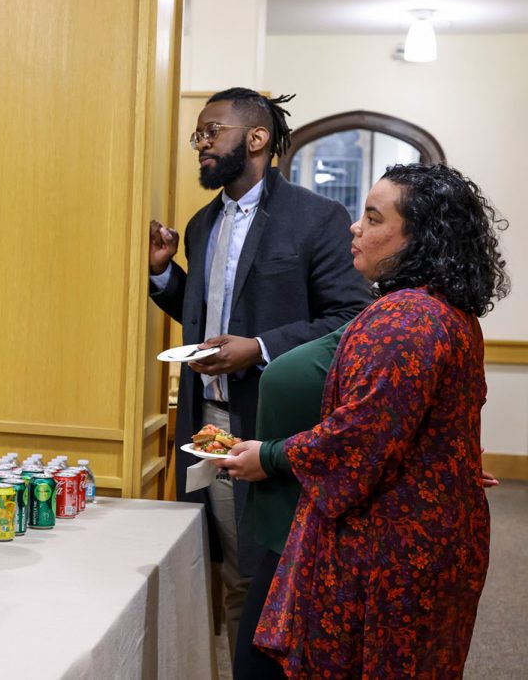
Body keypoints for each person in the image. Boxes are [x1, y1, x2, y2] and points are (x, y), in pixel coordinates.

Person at [215, 162, 508, 678]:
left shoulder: (405, 320)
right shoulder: (444, 310)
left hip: (390, 548)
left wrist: (270, 455)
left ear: (419, 239)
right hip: (430, 533)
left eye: (374, 219)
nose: (356, 227)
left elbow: (360, 439)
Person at [148, 87, 370, 654]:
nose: (200, 143)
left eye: (211, 131)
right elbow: (202, 317)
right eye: (198, 133)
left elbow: (351, 316)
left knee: (270, 575)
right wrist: (162, 275)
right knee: (223, 567)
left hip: (274, 429)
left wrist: (261, 347)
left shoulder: (316, 217)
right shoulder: (201, 225)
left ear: (256, 138)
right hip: (206, 425)